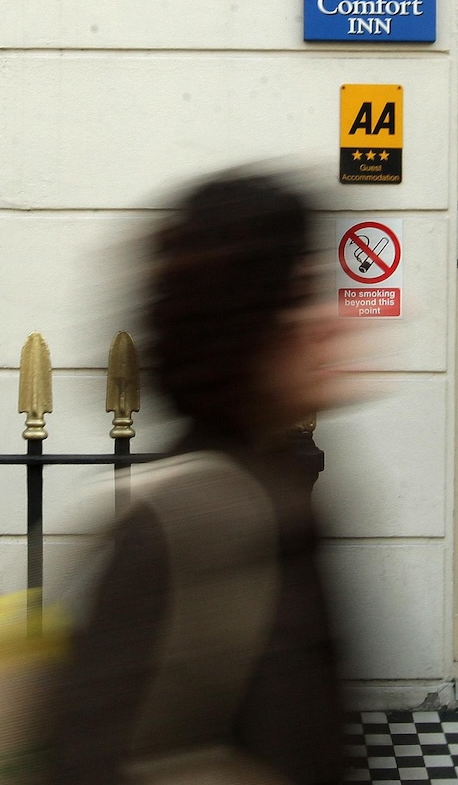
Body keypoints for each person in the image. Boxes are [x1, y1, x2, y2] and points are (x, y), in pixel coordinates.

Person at [46, 170, 352, 785]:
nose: (332, 320)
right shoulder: (202, 517)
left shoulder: (279, 483)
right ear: (245, 328)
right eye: (303, 293)